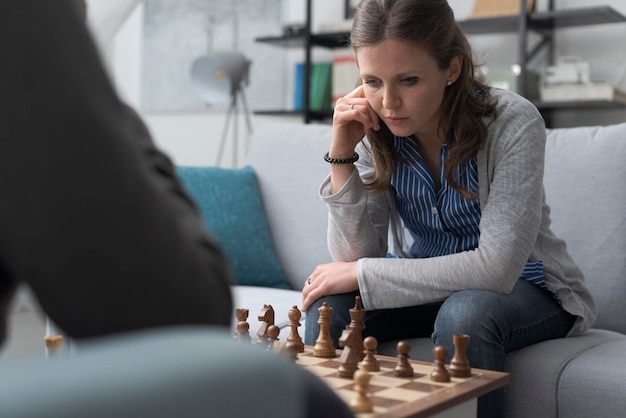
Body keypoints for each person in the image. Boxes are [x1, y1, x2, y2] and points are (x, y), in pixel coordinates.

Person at [301, 0, 596, 416]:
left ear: (452, 69)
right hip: (421, 282)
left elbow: (496, 269)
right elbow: (353, 258)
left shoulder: (513, 122)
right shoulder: (372, 128)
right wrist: (342, 154)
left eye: (408, 80)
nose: (388, 103)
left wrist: (365, 273)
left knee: (467, 312)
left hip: (526, 288)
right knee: (328, 308)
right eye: (372, 81)